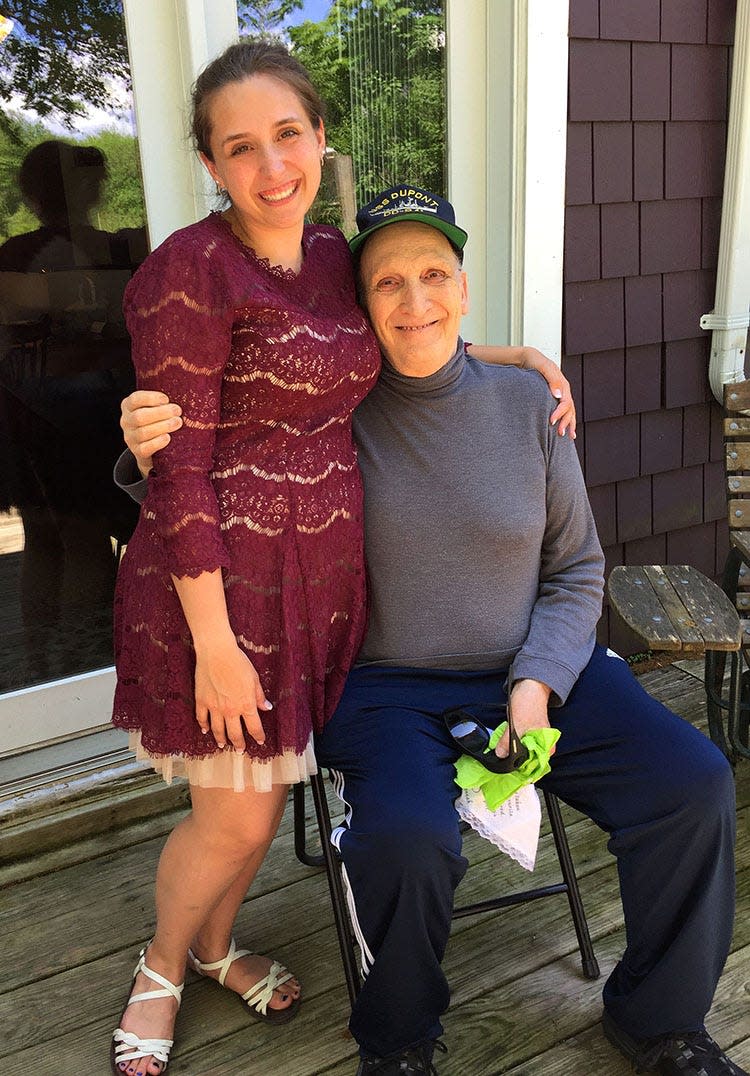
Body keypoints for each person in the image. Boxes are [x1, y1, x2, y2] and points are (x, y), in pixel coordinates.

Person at [121, 184, 745, 1076]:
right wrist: (142, 441)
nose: (415, 302)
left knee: (694, 785)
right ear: (358, 306)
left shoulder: (531, 408)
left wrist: (534, 686)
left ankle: (662, 1020)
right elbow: (211, 471)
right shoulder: (324, 415)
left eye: (434, 275)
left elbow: (577, 570)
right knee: (406, 839)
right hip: (382, 686)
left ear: (461, 284)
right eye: (386, 284)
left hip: (534, 665)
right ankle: (399, 1041)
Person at [108, 39, 573, 1076]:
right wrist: (215, 646)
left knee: (262, 799)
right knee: (231, 815)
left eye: (287, 136)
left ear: (321, 138)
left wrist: (508, 354)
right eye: (241, 148)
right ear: (213, 165)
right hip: (219, 584)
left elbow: (387, 345)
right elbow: (177, 475)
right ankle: (161, 966)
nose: (272, 166)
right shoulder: (187, 271)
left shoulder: (328, 255)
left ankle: (219, 947)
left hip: (316, 583)